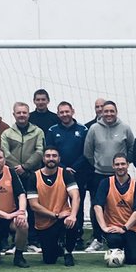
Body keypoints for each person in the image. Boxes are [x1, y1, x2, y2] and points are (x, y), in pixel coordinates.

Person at [82, 100, 135, 251]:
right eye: (106, 111)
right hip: (99, 175)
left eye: (112, 111)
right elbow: (88, 152)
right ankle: (98, 238)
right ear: (101, 112)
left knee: (121, 206)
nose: (109, 114)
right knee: (97, 207)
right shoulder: (93, 128)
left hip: (119, 176)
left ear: (116, 112)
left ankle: (124, 234)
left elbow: (132, 147)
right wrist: (99, 164)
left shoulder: (125, 128)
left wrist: (124, 164)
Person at [45, 101, 92, 247]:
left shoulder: (83, 129)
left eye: (67, 111)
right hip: (58, 173)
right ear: (58, 114)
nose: (65, 114)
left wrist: (73, 168)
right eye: (61, 112)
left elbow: (87, 152)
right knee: (58, 203)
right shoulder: (52, 130)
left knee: (77, 203)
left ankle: (77, 236)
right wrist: (64, 168)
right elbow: (50, 152)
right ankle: (59, 235)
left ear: (73, 111)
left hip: (79, 173)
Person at [27, 145, 81, 266]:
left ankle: (68, 252)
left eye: (54, 156)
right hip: (45, 221)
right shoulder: (34, 177)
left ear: (59, 159)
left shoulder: (66, 174)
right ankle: (57, 246)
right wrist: (55, 215)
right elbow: (34, 205)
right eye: (48, 156)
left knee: (72, 223)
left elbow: (75, 196)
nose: (51, 158)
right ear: (43, 159)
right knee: (49, 260)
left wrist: (72, 215)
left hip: (63, 217)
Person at [94, 155, 136, 265]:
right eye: (117, 164)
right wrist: (104, 227)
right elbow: (97, 206)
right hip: (112, 227)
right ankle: (116, 246)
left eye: (123, 164)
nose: (120, 167)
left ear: (128, 165)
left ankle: (133, 246)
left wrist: (124, 228)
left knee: (134, 260)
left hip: (132, 228)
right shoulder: (105, 183)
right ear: (113, 166)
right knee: (114, 240)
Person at [1, 101, 45, 192]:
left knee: (34, 203)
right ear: (14, 114)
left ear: (29, 114)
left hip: (34, 174)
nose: (21, 115)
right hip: (13, 175)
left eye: (24, 112)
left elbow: (40, 151)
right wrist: (18, 168)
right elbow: (5, 153)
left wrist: (25, 167)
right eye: (18, 113)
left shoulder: (38, 132)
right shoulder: (6, 133)